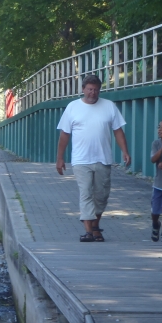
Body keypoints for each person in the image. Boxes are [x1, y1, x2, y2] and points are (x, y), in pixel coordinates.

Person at [56, 74, 131, 242]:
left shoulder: (109, 106)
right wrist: (59, 158)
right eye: (89, 89)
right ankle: (89, 231)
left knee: (101, 195)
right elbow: (64, 135)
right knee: (86, 193)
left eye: (96, 90)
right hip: (81, 159)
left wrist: (125, 151)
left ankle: (96, 226)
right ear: (83, 89)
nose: (93, 93)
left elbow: (118, 131)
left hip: (103, 158)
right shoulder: (73, 107)